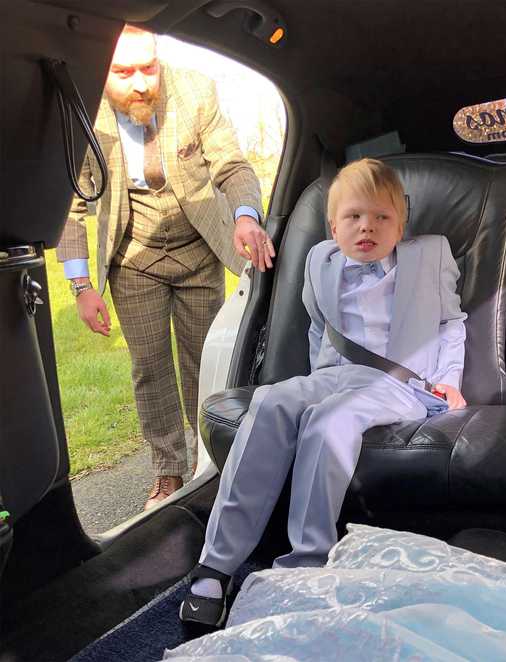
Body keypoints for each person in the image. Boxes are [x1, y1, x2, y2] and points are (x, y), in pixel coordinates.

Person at [179, 157, 467, 628]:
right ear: (333, 226)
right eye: (354, 217)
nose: (367, 227)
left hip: (401, 383)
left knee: (330, 419)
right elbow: (320, 328)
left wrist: (450, 381)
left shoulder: (431, 254)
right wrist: (314, 384)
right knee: (271, 401)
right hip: (336, 374)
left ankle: (306, 562)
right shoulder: (320, 259)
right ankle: (217, 563)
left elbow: (451, 324)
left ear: (402, 224)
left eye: (382, 217)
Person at [56, 25, 275, 510]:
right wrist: (80, 286)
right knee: (149, 369)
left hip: (199, 252)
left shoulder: (196, 90)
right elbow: (71, 206)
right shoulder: (82, 110)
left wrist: (244, 217)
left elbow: (233, 167)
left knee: (207, 363)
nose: (140, 83)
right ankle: (168, 471)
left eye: (148, 67)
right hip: (133, 261)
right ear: (102, 69)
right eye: (123, 71)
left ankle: (211, 463)